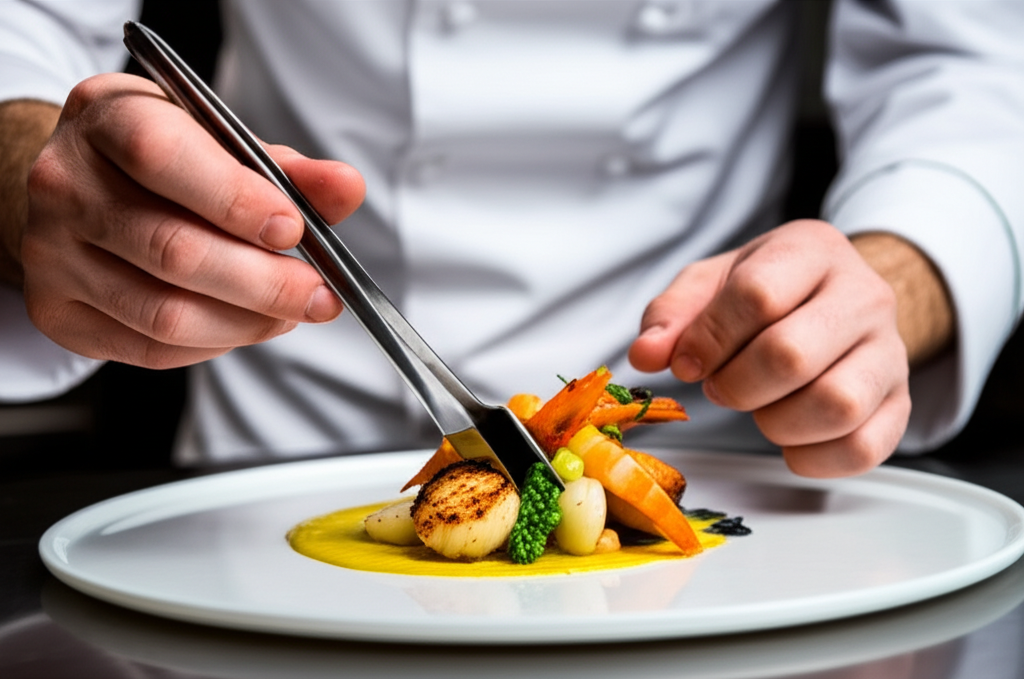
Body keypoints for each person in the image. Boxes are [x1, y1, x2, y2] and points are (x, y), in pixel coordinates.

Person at [1, 1, 1021, 477]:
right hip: (278, 436)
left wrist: (896, 275)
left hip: (706, 454)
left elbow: (974, 70)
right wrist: (28, 179)